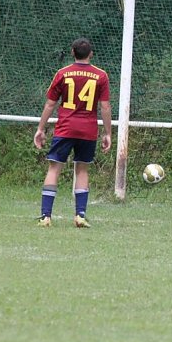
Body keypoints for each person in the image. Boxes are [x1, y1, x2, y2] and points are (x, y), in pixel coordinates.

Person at [34, 38, 112, 228]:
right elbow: (105, 106)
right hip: (88, 130)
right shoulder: (100, 76)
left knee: (54, 169)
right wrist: (108, 132)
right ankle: (80, 215)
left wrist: (40, 129)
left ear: (72, 52)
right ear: (91, 54)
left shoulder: (62, 73)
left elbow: (50, 104)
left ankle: (45, 217)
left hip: (65, 128)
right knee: (82, 170)